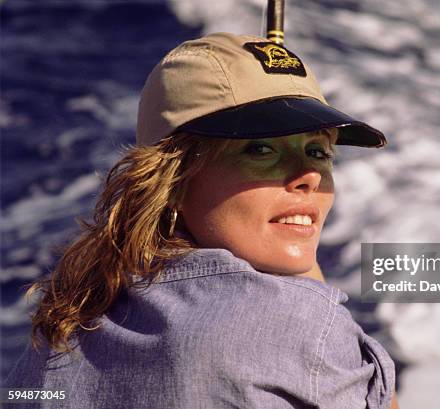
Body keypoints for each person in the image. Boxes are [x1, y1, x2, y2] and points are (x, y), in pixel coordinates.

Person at [3, 32, 398, 408]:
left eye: (318, 151)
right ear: (172, 179)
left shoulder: (65, 330)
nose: (308, 176)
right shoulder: (304, 323)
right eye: (260, 149)